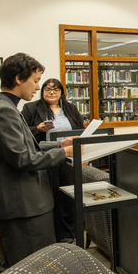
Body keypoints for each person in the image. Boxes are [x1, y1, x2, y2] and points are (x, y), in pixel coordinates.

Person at [0, 53, 75, 274]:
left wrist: (60, 146)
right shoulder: (3, 111)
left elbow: (26, 148)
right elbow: (23, 158)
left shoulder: (7, 107)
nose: (38, 87)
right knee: (31, 270)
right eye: (35, 81)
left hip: (21, 204)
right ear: (19, 79)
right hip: (21, 205)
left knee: (11, 267)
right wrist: (65, 154)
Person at [22, 78, 85, 243]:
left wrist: (82, 155)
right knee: (50, 199)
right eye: (48, 89)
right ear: (42, 91)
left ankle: (68, 236)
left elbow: (81, 131)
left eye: (56, 89)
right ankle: (50, 237)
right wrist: (38, 128)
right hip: (45, 160)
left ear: (61, 93)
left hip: (69, 160)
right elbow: (21, 133)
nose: (52, 92)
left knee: (69, 199)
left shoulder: (70, 108)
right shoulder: (31, 108)